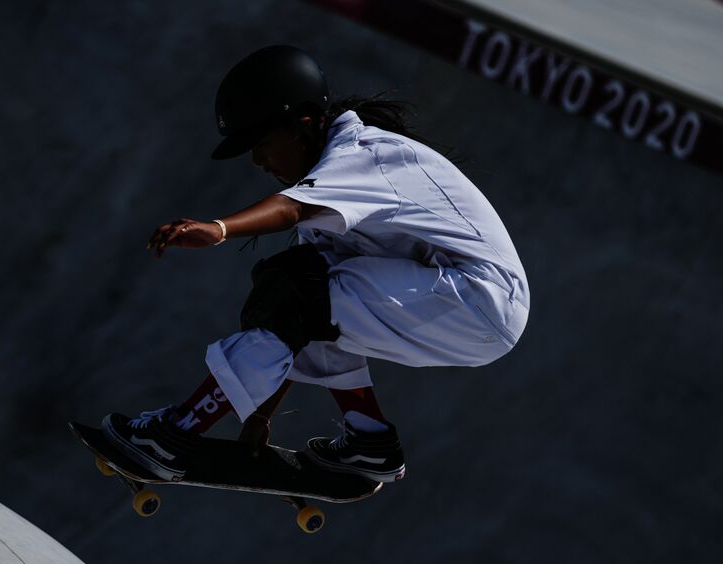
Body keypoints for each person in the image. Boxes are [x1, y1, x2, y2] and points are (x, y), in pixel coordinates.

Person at [103, 45, 529, 483]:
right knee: (303, 294)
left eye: (262, 144)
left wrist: (220, 228)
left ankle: (175, 433)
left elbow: (288, 211)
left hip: (480, 295)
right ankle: (370, 441)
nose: (257, 161)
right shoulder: (332, 190)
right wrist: (260, 415)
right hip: (468, 308)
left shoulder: (365, 155)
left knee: (301, 290)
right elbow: (295, 326)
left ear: (303, 126)